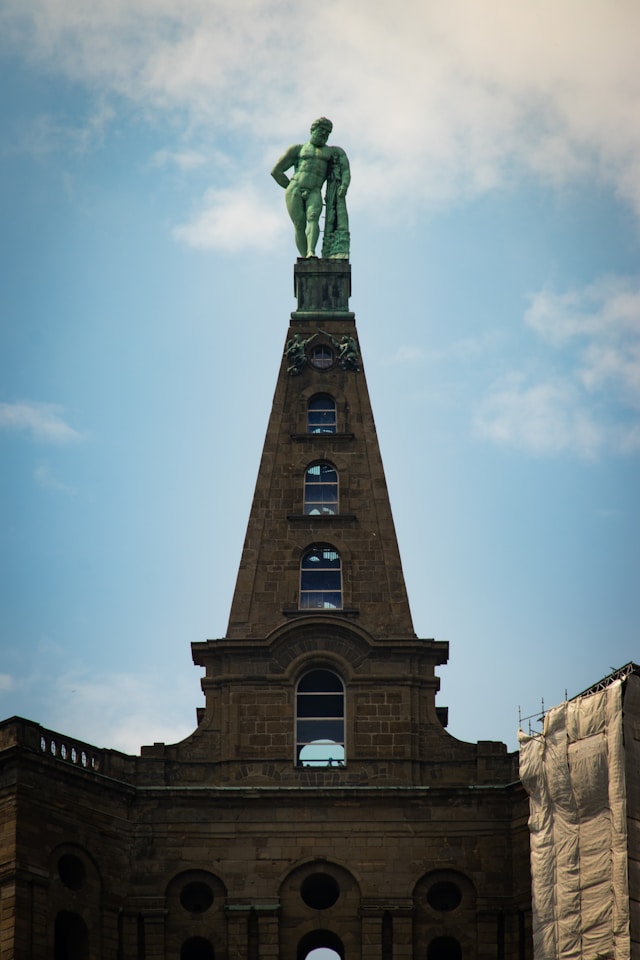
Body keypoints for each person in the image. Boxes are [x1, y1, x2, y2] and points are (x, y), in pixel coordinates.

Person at [271, 118, 350, 259]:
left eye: (327, 132)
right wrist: (289, 186)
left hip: (314, 190)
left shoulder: (331, 152)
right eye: (321, 130)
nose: (324, 134)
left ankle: (310, 252)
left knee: (313, 218)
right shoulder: (298, 149)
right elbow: (276, 171)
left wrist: (344, 184)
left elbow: (344, 169)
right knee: (299, 223)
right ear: (312, 130)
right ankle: (304, 256)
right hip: (295, 188)